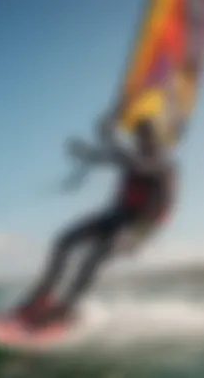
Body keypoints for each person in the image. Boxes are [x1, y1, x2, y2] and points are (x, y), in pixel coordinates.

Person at [14, 101, 177, 330]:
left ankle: (67, 308)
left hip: (142, 226)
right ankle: (43, 295)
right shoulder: (134, 155)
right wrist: (87, 148)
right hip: (118, 216)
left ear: (155, 139)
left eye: (146, 137)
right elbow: (108, 155)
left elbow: (138, 165)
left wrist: (108, 133)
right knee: (64, 240)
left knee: (96, 255)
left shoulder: (162, 162)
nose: (141, 142)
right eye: (139, 137)